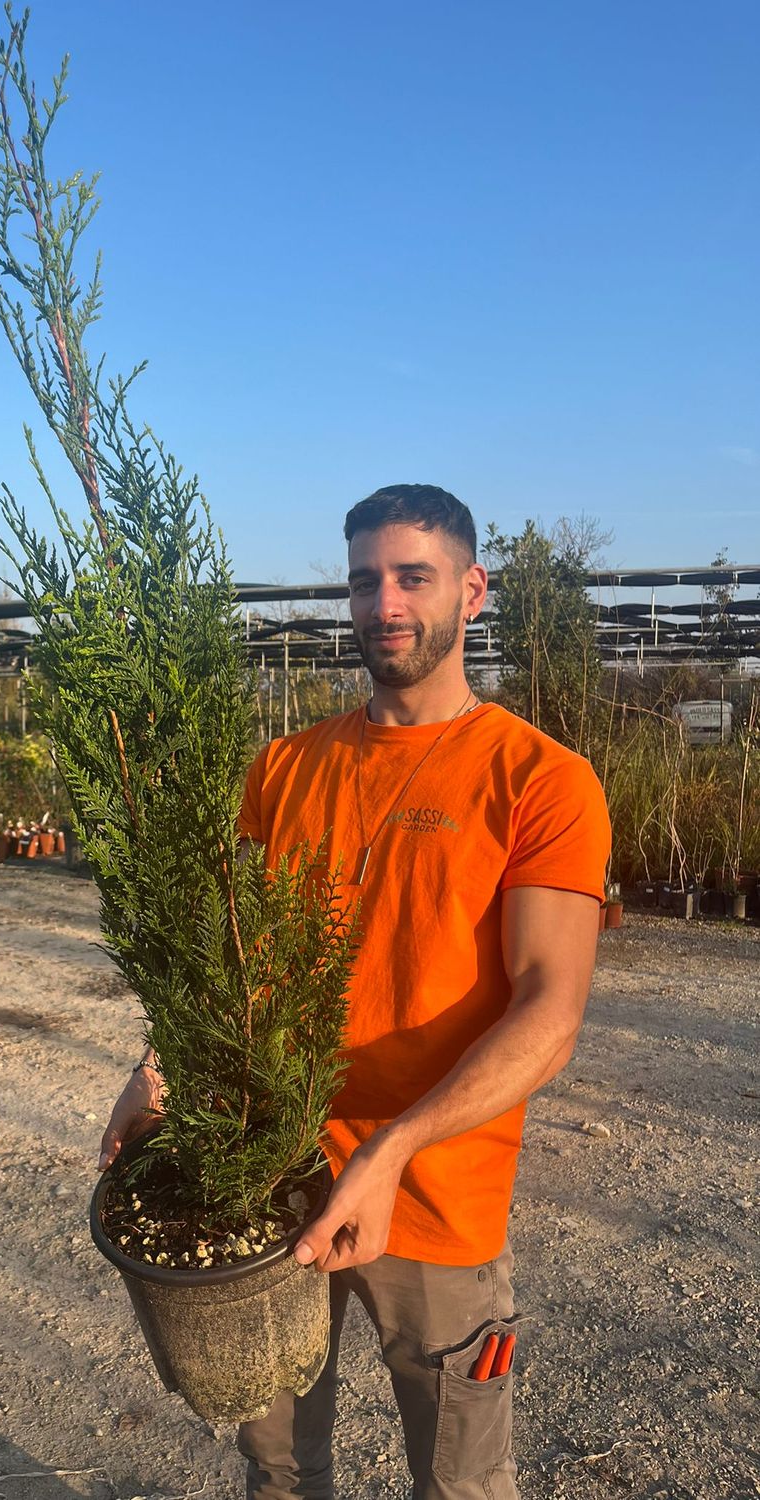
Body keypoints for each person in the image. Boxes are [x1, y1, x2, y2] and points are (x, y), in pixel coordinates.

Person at [98, 484, 611, 1500]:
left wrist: (392, 1148)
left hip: (435, 1194)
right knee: (280, 1465)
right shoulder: (285, 770)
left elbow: (549, 1013)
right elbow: (228, 969)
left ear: (471, 591)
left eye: (413, 577)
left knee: (460, 1478)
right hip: (269, 1180)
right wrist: (158, 1068)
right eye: (365, 580)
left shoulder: (540, 781)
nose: (385, 604)